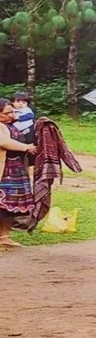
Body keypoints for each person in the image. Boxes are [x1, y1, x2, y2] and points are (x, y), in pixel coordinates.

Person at [0, 99, 36, 248]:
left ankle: (4, 236)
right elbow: (4, 142)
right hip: (6, 169)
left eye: (12, 111)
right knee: (4, 203)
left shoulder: (11, 125)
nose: (11, 115)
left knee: (11, 204)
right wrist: (26, 147)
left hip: (16, 168)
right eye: (6, 113)